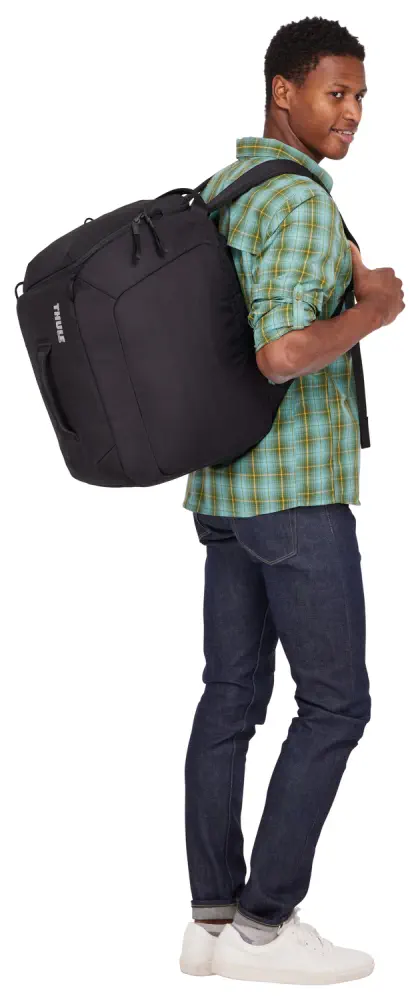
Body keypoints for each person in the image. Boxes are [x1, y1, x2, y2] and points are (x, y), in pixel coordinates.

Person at [179, 15, 405, 986]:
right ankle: (265, 926)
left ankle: (210, 922)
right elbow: (279, 353)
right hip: (295, 494)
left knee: (230, 696)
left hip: (223, 483)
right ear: (284, 91)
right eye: (335, 93)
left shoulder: (223, 189)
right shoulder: (302, 205)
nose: (351, 112)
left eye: (359, 97)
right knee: (337, 705)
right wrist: (374, 310)